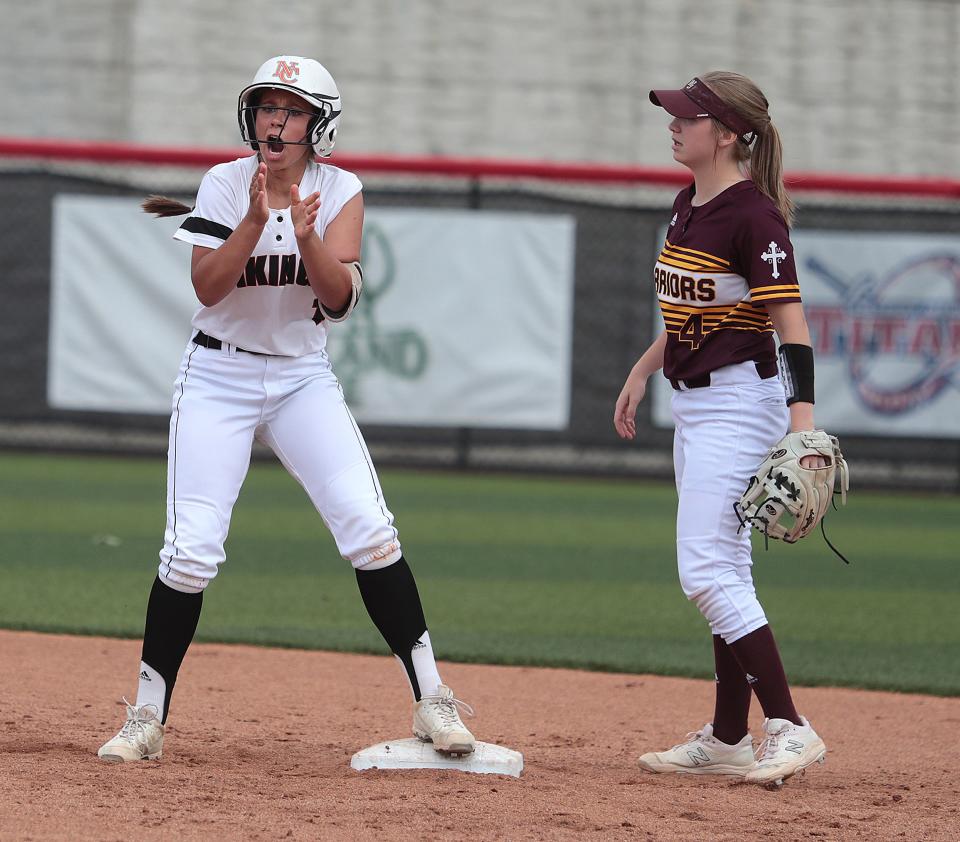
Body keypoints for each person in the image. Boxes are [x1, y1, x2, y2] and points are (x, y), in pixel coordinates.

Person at [98, 55, 476, 763]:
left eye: (292, 109)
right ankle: (146, 719)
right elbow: (209, 289)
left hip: (301, 376)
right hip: (218, 374)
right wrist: (250, 220)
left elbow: (338, 300)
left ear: (318, 124)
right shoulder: (222, 182)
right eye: (267, 105)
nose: (276, 119)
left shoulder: (341, 189)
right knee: (190, 550)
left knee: (370, 529)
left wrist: (303, 232)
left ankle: (433, 700)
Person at [613, 72, 827, 786]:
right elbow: (689, 315)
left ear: (729, 134)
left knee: (704, 569)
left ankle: (790, 727)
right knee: (725, 569)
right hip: (694, 403)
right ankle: (731, 735)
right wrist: (645, 369)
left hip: (742, 403)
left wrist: (804, 427)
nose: (674, 125)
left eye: (689, 118)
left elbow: (788, 323)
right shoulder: (687, 205)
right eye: (675, 115)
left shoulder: (752, 217)